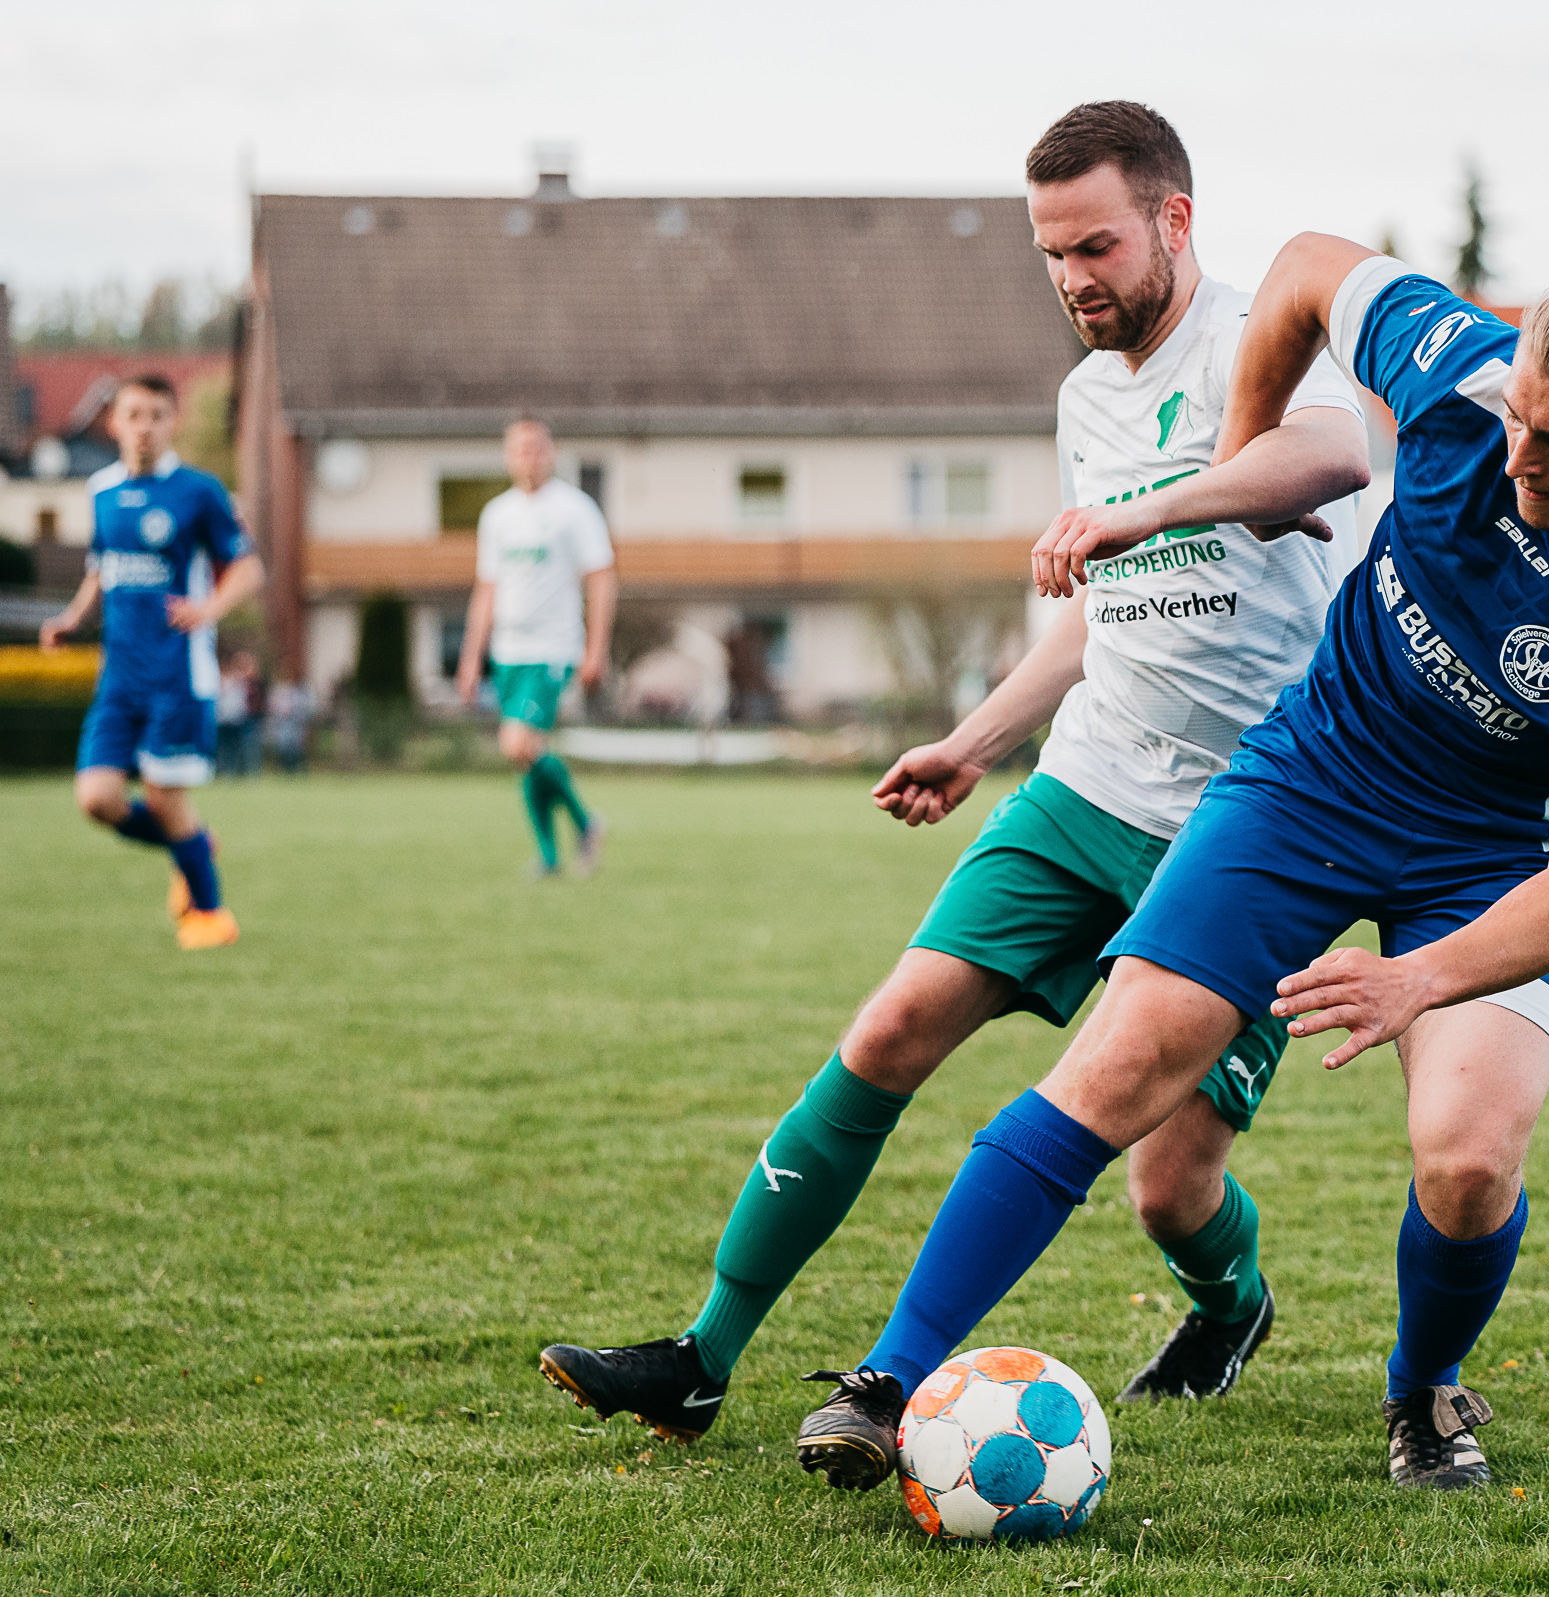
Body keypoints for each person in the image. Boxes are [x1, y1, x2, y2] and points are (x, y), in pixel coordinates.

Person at [788, 233, 1549, 1496]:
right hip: (1309, 780)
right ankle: (893, 1375)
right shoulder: (1460, 367)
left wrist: (1416, 982)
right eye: (1518, 421)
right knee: (1117, 1067)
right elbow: (1301, 271)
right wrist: (1245, 453)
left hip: (1484, 858)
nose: (1518, 460)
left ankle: (1420, 1388)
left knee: (1465, 1160)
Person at [536, 102, 1370, 1448]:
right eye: (1050, 255)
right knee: (887, 1032)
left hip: (1246, 829)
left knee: (1169, 1188)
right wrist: (975, 743)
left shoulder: (1255, 344)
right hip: (1084, 786)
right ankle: (700, 1358)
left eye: (1095, 244)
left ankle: (1231, 1304)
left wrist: (1144, 507)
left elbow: (1334, 457)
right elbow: (1100, 613)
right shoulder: (1084, 399)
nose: (1074, 279)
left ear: (1176, 219)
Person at [40, 375, 262, 950]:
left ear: (173, 422)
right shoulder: (102, 490)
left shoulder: (199, 491)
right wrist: (73, 618)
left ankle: (211, 915)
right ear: (114, 422)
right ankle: (192, 845)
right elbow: (100, 567)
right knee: (97, 800)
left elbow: (248, 569)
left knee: (165, 798)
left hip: (177, 677)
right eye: (134, 414)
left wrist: (209, 608)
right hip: (118, 680)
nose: (145, 426)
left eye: (158, 415)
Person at [452, 417, 616, 877]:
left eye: (537, 448)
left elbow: (601, 579)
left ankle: (584, 823)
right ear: (508, 456)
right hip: (507, 651)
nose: (529, 456)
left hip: (553, 647)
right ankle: (553, 853)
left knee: (516, 742)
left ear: (552, 453)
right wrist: (470, 657)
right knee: (527, 755)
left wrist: (596, 649)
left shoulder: (575, 509)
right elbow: (486, 589)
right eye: (520, 449)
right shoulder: (497, 515)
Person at [216, 650, 262, 778]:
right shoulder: (228, 680)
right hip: (225, 719)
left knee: (242, 747)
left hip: (241, 719)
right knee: (225, 748)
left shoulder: (250, 682)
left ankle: (245, 772)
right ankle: (225, 772)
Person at [266, 674, 314, 773]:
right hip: (282, 722)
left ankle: (297, 768)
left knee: (296, 747)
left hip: (295, 722)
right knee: (283, 746)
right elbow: (272, 706)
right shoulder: (278, 691)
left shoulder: (299, 691)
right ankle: (287, 769)